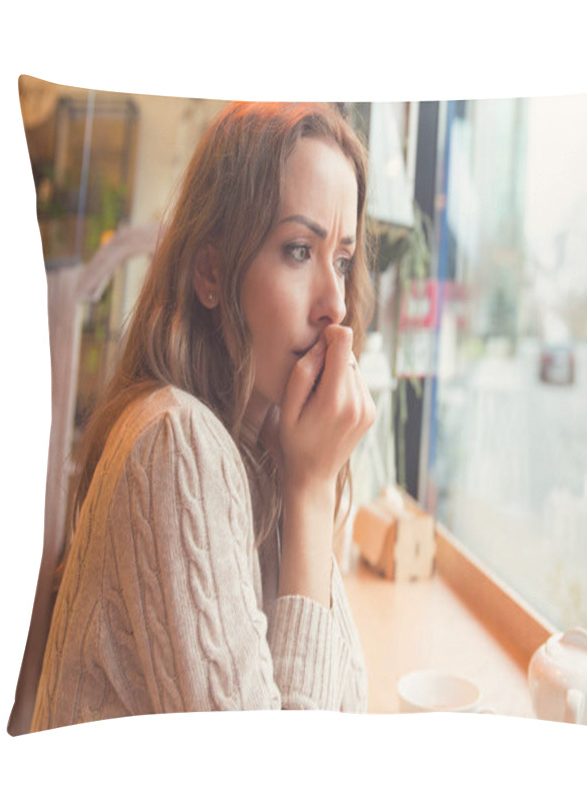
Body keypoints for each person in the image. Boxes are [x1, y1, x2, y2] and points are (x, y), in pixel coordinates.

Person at [30, 102, 376, 731]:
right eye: (300, 250)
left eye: (343, 260)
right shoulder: (175, 439)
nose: (335, 305)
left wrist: (306, 479)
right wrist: (312, 492)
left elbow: (344, 715)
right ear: (212, 270)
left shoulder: (271, 448)